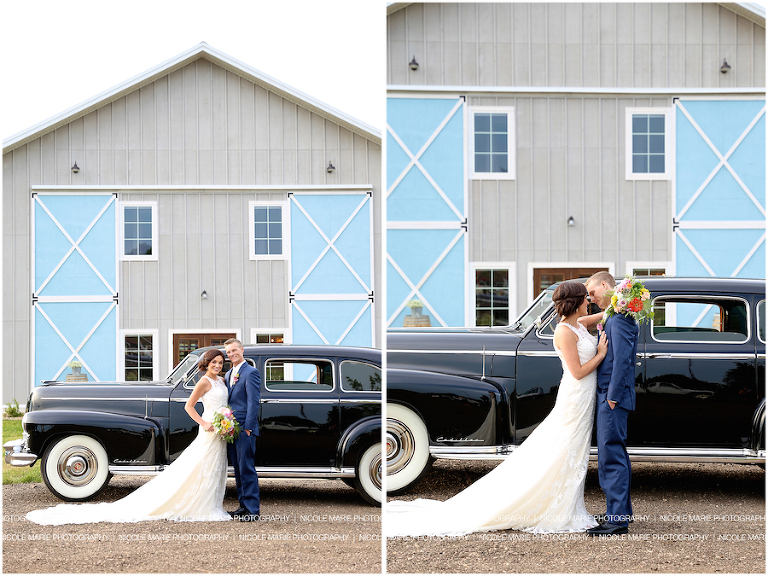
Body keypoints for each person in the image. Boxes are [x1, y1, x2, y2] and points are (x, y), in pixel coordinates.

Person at [385, 280, 607, 537]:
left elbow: (602, 316)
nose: (589, 302)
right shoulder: (564, 332)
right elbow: (578, 372)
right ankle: (555, 508)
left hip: (584, 398)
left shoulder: (577, 324)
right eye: (586, 298)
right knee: (564, 449)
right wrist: (600, 354)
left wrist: (621, 303)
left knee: (574, 451)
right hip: (576, 395)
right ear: (576, 302)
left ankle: (567, 505)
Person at [26, 349, 231, 525]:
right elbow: (190, 406)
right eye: (214, 362)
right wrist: (204, 423)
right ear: (207, 363)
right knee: (201, 465)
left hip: (220, 429)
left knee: (212, 466)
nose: (218, 365)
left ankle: (209, 503)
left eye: (221, 363)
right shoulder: (203, 382)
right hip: (209, 428)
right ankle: (201, 504)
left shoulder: (221, 380)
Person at [584, 272, 638, 536]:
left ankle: (617, 520)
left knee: (610, 456)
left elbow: (624, 361)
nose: (591, 299)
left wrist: (613, 397)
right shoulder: (612, 314)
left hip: (613, 396)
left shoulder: (622, 319)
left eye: (593, 293)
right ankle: (619, 513)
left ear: (605, 285)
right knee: (613, 453)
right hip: (608, 395)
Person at [223, 338, 261, 521]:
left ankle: (253, 510)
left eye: (234, 350)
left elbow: (253, 402)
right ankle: (243, 506)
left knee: (247, 468)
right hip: (231, 429)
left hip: (245, 429)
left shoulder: (251, 372)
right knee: (237, 469)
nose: (231, 354)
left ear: (242, 350)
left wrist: (248, 428)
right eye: (229, 352)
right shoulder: (229, 374)